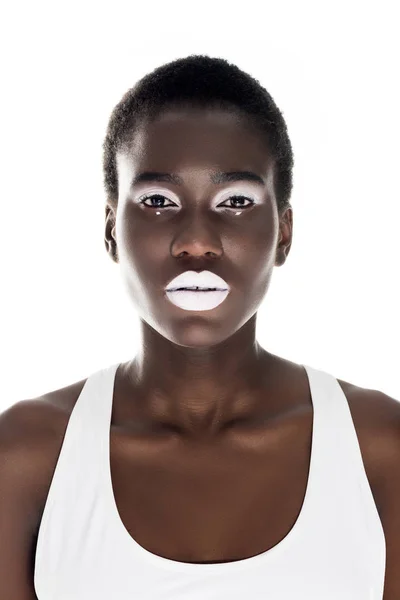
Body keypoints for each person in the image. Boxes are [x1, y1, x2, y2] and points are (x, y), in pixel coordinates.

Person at [0, 54, 399, 600]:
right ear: (112, 228)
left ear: (283, 232)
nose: (196, 240)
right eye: (158, 201)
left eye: (235, 201)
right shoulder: (27, 455)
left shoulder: (378, 446)